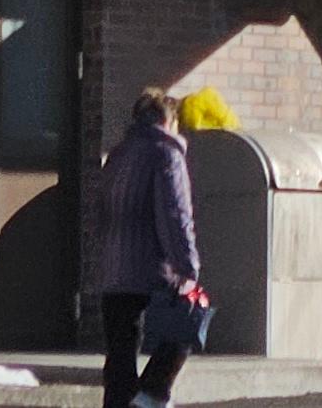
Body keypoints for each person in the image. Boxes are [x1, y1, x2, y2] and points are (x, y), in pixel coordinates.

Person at [92, 92, 206, 408]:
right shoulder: (166, 155)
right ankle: (150, 395)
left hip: (114, 273)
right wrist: (188, 269)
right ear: (169, 120)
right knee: (189, 322)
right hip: (152, 274)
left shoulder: (117, 155)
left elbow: (101, 213)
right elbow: (175, 217)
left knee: (119, 358)